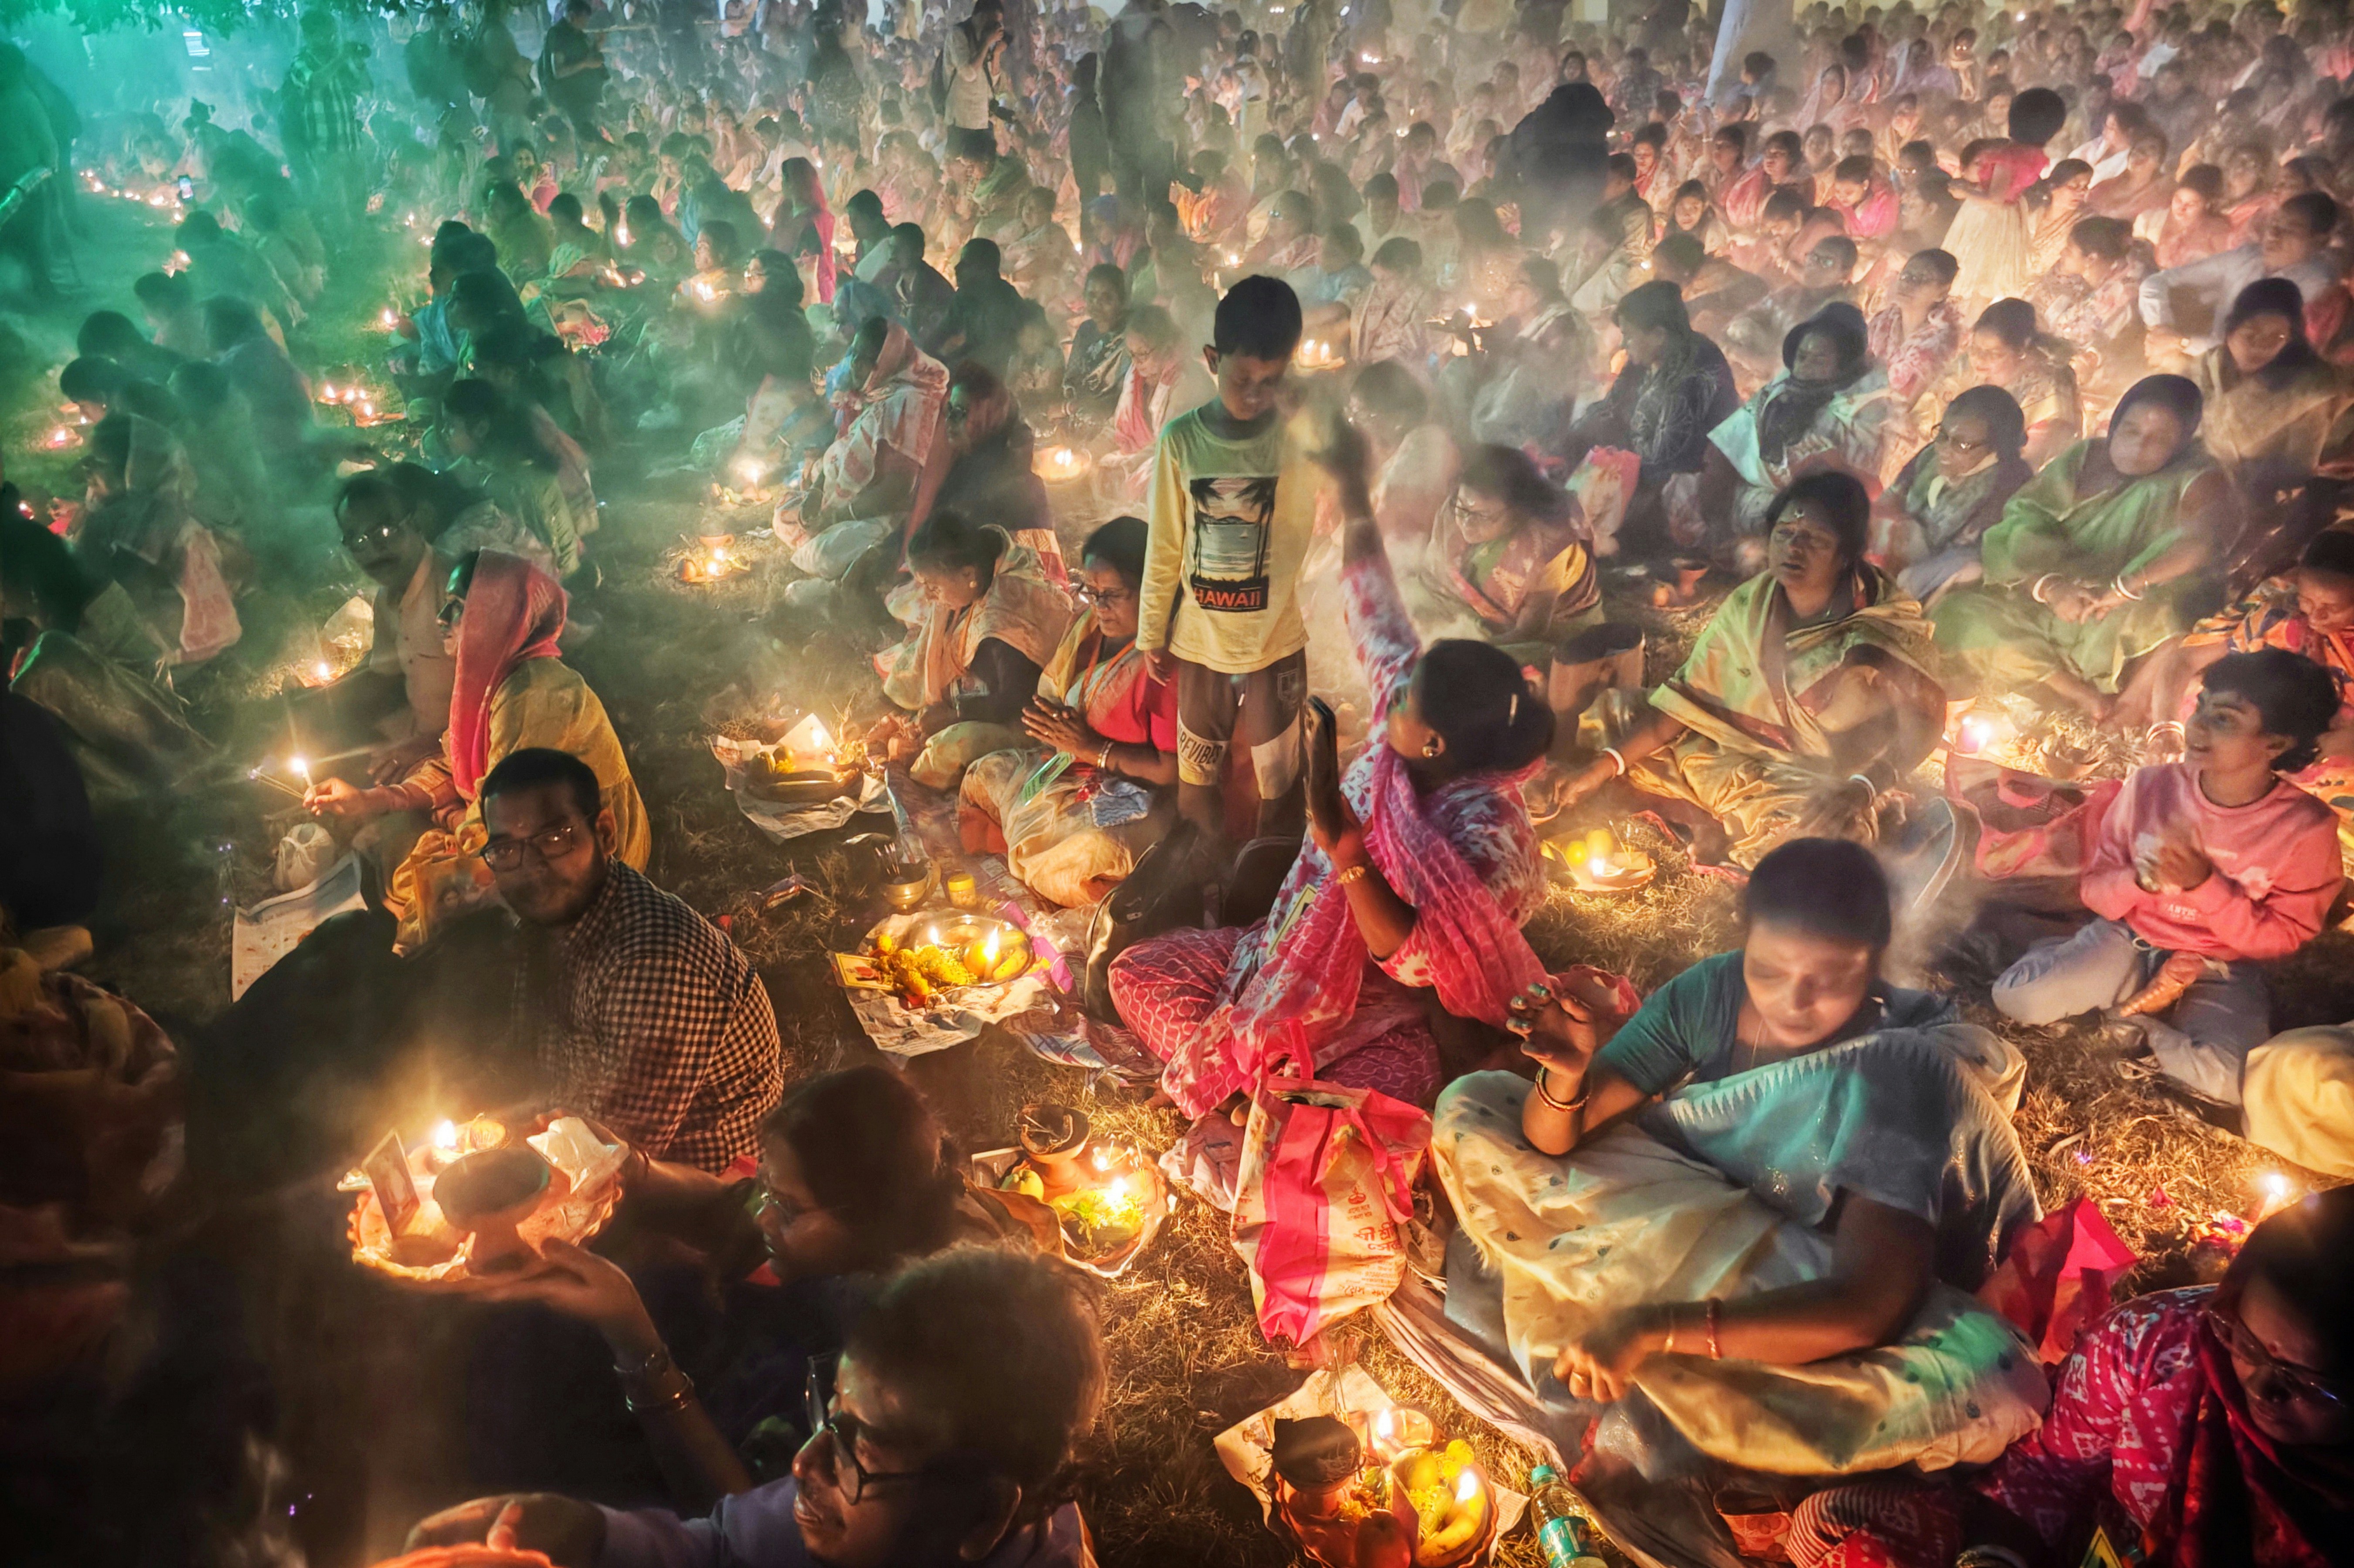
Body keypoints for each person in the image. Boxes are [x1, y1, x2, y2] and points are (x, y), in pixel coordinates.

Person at [1433, 839, 2038, 1483]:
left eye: (1828, 982)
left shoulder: (1891, 1076)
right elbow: (1559, 1137)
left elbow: (1864, 1308)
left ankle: (1654, 1386)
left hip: (1804, 1271)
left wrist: (1655, 1328)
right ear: (1745, 942)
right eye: (1770, 971)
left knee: (1990, 1378)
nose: (1792, 1004)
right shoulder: (1713, 993)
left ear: (1873, 966)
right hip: (1707, 1207)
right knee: (1478, 1105)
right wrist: (1570, 1073)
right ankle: (1658, 1380)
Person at [1112, 413, 1557, 1116]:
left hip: (1376, 1010)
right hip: (1277, 958)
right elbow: (1371, 600)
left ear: (1436, 743)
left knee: (1391, 1085)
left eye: (1403, 699)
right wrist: (1352, 489)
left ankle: (1260, 1087)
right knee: (1135, 970)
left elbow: (1414, 960)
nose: (1390, 691)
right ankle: (1260, 1083)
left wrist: (1343, 840)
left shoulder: (1489, 839)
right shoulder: (1412, 725)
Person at [404, 1246, 1103, 1568]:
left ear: (984, 1518)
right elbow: (724, 1545)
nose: (803, 1462)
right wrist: (587, 1534)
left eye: (860, 1450)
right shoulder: (889, 1520)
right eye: (831, 1415)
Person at [1993, 651, 2342, 1116]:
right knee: (2018, 998)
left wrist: (2205, 886)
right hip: (2133, 939)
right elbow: (2095, 891)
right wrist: (2142, 880)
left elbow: (2282, 940)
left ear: (2275, 744)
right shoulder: (2150, 787)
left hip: (2220, 966)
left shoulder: (2305, 829)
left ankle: (2133, 1025)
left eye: (2224, 720)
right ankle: (2085, 967)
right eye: (2200, 708)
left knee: (2229, 1082)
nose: (2197, 727)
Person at [1555, 473, 1947, 869]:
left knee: (1818, 842)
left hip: (1813, 777)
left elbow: (1927, 718)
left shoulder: (1879, 627)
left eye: (1815, 539)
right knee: (1614, 718)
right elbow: (1685, 699)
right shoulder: (1752, 603)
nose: (1794, 547)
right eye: (1785, 532)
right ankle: (1704, 819)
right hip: (1722, 750)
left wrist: (1863, 787)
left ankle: (1720, 820)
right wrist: (1603, 766)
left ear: (1846, 554)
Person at [304, 553, 649, 951]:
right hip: (524, 829)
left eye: (458, 608)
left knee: (431, 893)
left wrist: (453, 827)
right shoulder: (494, 677)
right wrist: (369, 799)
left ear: (498, 613)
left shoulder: (535, 692)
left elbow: (512, 815)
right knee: (398, 842)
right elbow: (453, 762)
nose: (440, 618)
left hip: (580, 846)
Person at [493, 746, 773, 1168]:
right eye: (505, 851)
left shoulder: (656, 965)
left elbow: (604, 1159)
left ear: (605, 833)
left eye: (553, 839)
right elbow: (523, 1066)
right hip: (592, 1136)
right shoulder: (545, 922)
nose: (529, 868)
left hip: (697, 1188)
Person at [1137, 276, 1320, 848]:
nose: (1257, 394)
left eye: (1274, 381)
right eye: (1243, 379)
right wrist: (1152, 631)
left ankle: (1272, 904)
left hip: (1275, 645)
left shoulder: (1297, 442)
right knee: (1197, 787)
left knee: (1281, 789)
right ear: (1213, 361)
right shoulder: (1181, 442)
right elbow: (1166, 544)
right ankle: (1206, 887)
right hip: (1201, 646)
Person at [1932, 375, 2230, 723]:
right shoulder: (2086, 456)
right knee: (1957, 612)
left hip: (2112, 611)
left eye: (2159, 440)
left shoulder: (2196, 475)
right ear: (2116, 422)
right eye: (2131, 430)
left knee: (2173, 614)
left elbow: (2198, 543)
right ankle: (2077, 693)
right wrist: (2053, 588)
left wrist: (2122, 588)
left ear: (2180, 445)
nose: (2138, 446)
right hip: (2043, 601)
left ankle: (2115, 702)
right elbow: (2023, 519)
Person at [960, 518, 1179, 908]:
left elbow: (1171, 770)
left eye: (1113, 594)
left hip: (1139, 795)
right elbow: (1055, 691)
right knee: (983, 774)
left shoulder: (1166, 663)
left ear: (1154, 590)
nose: (1100, 606)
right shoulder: (1090, 625)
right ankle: (1029, 853)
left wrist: (1094, 747)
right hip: (1069, 770)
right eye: (1091, 591)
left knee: (1090, 850)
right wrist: (1049, 725)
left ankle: (1042, 861)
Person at [871, 509, 1073, 791]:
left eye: (933, 586)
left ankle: (916, 781)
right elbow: (928, 649)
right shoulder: (976, 573)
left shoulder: (1007, 619)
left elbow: (1018, 701)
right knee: (915, 707)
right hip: (983, 692)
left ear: (968, 573)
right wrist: (888, 705)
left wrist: (956, 714)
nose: (929, 596)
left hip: (1030, 720)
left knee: (950, 747)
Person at [2192, 279, 2354, 586]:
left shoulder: (2313, 389)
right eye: (2250, 334)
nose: (2260, 346)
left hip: (2288, 499)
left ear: (2291, 340)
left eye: (2277, 337)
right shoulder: (2210, 366)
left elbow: (2294, 471)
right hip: (2214, 487)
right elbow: (2198, 430)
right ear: (2230, 331)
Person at [1560, 280, 1738, 558]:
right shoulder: (1646, 358)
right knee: (1568, 461)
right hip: (1637, 465)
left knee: (1592, 525)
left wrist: (1605, 483)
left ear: (1658, 335)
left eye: (1629, 336)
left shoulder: (1694, 375)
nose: (1623, 344)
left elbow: (1667, 462)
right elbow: (1612, 407)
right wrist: (1572, 443)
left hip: (1679, 482)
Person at [1697, 303, 1894, 547]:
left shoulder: (1865, 407)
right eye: (1802, 357)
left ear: (1845, 364)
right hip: (1751, 498)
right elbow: (1730, 444)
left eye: (1820, 359)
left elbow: (1854, 490)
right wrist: (1716, 519)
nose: (1806, 366)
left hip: (1812, 512)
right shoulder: (1781, 390)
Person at [1421, 445, 1600, 664]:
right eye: (1463, 510)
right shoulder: (1458, 506)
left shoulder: (1546, 543)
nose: (1467, 523)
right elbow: (1432, 578)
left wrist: (1467, 649)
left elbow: (1532, 629)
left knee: (1505, 664)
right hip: (1478, 615)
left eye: (1483, 516)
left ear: (1518, 513)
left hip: (1553, 627)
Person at [799, 317, 949, 571]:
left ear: (886, 361)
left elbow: (898, 491)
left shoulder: (910, 403)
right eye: (854, 352)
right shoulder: (875, 392)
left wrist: (838, 516)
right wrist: (815, 494)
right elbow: (842, 447)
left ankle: (856, 555)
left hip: (880, 515)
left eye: (866, 357)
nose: (855, 363)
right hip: (845, 503)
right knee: (788, 516)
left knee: (822, 556)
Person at [1870, 384, 2035, 605]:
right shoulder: (1931, 454)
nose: (1944, 449)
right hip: (1906, 542)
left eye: (1963, 445)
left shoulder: (2009, 482)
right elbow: (1892, 497)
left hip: (1948, 568)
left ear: (1997, 446)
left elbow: (1975, 553)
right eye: (1943, 435)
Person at [2140, 192, 2344, 368]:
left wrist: (2181, 343)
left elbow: (2247, 354)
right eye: (2275, 224)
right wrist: (2161, 329)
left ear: (2319, 242)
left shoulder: (2315, 286)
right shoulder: (2248, 257)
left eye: (2291, 228)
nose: (2274, 234)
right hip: (2205, 362)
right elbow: (2157, 283)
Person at [436, 379, 593, 582]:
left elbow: (548, 553)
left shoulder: (513, 482)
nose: (443, 433)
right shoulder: (477, 466)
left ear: (481, 428)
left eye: (450, 426)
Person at [1916, 298, 2082, 472]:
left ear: (2021, 349)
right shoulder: (1967, 366)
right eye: (1975, 349)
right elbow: (1926, 414)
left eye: (1994, 354)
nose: (1979, 359)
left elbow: (2026, 461)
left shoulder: (2051, 389)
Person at [930, 362, 1058, 581]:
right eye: (949, 411)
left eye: (961, 413)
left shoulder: (1022, 487)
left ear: (990, 416)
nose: (949, 422)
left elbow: (1020, 576)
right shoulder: (961, 464)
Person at [1942, 86, 2066, 307]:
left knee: (1969, 274)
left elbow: (1993, 200)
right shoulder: (2033, 156)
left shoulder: (2008, 157)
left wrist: (1965, 190)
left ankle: (1958, 324)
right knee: (1986, 282)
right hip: (2010, 218)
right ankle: (1969, 328)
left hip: (1988, 220)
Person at [1063, 264, 1131, 425]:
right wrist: (1073, 405)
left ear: (1122, 300)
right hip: (1082, 412)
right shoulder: (1086, 330)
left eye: (1107, 298)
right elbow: (1072, 379)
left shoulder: (1132, 333)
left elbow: (1130, 389)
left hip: (1117, 418)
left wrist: (1102, 408)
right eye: (1091, 296)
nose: (1096, 304)